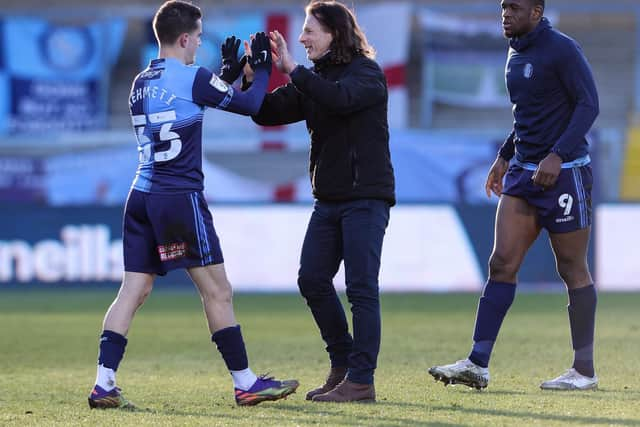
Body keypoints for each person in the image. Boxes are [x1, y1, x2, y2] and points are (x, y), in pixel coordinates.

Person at [88, 0, 298, 409]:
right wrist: (261, 71)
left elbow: (189, 98)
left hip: (141, 195)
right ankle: (245, 383)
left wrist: (228, 75)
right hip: (178, 197)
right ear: (184, 38)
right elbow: (251, 105)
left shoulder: (140, 81)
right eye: (199, 37)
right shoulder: (194, 77)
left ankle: (103, 383)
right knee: (218, 291)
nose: (200, 44)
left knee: (133, 289)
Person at [429, 0, 599, 391]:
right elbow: (526, 113)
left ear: (536, 12)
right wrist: (505, 156)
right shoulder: (515, 51)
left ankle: (584, 371)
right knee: (501, 262)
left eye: (515, 8)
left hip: (566, 174)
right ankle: (477, 363)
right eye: (503, 7)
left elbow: (589, 105)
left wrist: (558, 154)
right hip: (523, 173)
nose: (506, 13)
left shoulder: (563, 49)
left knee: (572, 267)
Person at [238, 0, 394, 403]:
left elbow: (340, 99)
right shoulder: (314, 78)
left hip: (366, 198)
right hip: (328, 200)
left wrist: (294, 71)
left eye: (309, 30)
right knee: (311, 279)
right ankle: (343, 365)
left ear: (334, 33)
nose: (302, 38)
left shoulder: (367, 73)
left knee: (361, 289)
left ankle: (361, 381)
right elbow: (267, 113)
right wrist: (249, 79)